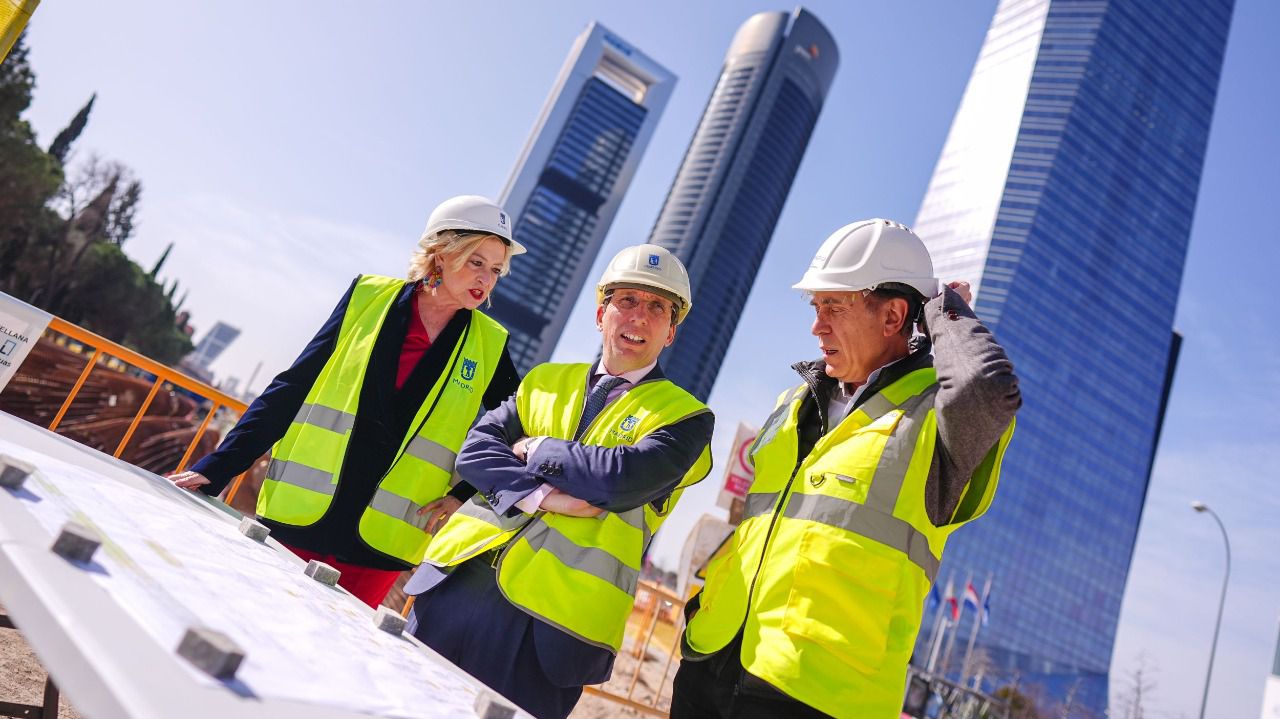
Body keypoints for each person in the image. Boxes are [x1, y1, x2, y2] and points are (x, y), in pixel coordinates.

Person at [670, 219, 1021, 719]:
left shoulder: (934, 422)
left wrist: (946, 311)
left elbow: (988, 389)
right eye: (816, 307)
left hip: (818, 694)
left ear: (894, 315)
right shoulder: (794, 403)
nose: (817, 325)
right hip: (712, 656)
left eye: (834, 306)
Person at [404, 244, 715, 719]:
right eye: (627, 300)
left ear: (671, 331)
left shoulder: (688, 418)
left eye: (657, 307)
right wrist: (540, 494)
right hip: (455, 587)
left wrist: (535, 448)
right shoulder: (547, 379)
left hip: (548, 634)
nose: (639, 316)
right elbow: (476, 450)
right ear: (601, 314)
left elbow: (620, 480)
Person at [168, 195, 525, 608]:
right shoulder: (366, 297)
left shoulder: (490, 343)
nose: (487, 278)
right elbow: (292, 387)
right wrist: (217, 468)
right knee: (253, 617)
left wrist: (465, 492)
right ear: (442, 254)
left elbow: (516, 430)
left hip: (379, 545)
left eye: (496, 270)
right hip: (301, 516)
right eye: (476, 261)